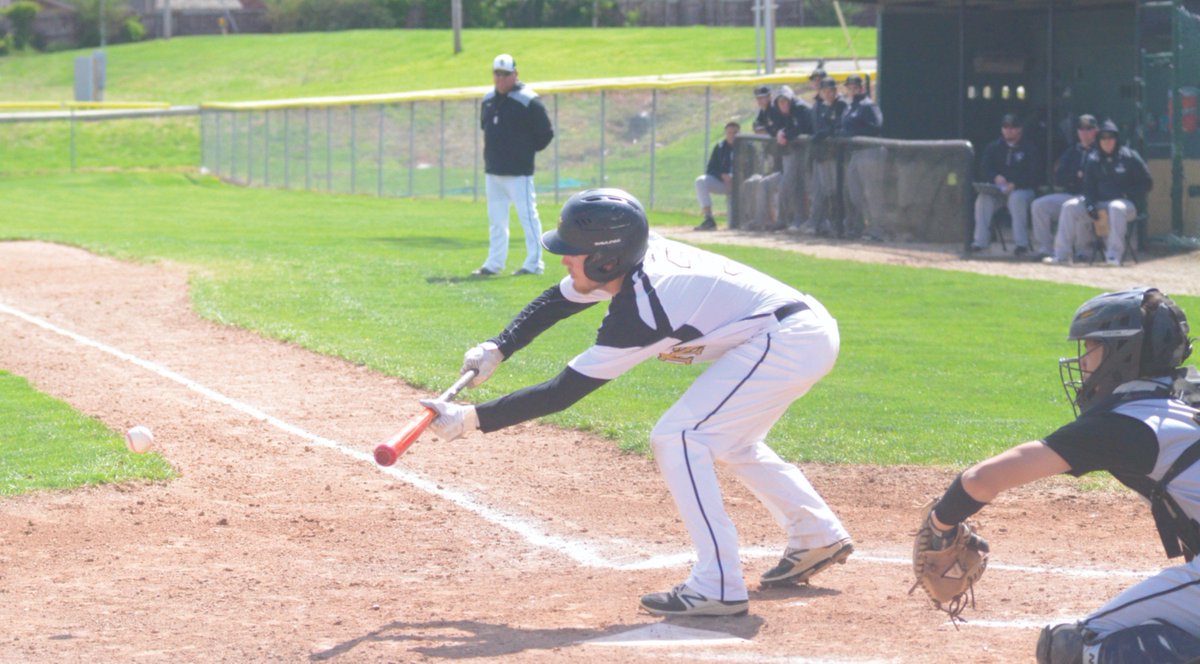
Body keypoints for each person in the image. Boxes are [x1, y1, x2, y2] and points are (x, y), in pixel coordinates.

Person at [421, 188, 855, 617]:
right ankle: (815, 533)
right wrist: (499, 347)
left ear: (606, 258)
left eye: (572, 251)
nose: (564, 259)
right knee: (730, 442)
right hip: (792, 334)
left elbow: (563, 392)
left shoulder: (645, 308)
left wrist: (470, 419)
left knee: (679, 437)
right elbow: (558, 300)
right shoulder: (628, 263)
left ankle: (718, 584)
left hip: (787, 341)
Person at [916, 287, 1200, 663]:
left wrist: (941, 522)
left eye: (1092, 348)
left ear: (1123, 352)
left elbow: (983, 479)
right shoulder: (1184, 401)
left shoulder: (1126, 422)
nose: (1083, 361)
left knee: (1071, 646)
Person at [474, 54, 555, 278]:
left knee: (528, 218)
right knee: (496, 221)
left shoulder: (528, 100)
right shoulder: (488, 99)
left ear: (515, 74)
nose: (500, 79)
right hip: (493, 171)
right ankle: (493, 264)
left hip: (519, 173)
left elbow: (545, 134)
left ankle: (534, 263)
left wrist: (523, 152)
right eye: (497, 74)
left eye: (505, 74)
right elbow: (486, 127)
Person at [1055, 120, 1152, 267]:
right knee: (1069, 206)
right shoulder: (1093, 159)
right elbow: (1088, 187)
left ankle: (1113, 257)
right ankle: (1061, 255)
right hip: (1099, 203)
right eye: (1103, 138)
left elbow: (1147, 182)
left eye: (1110, 138)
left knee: (1116, 207)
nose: (1107, 142)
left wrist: (1129, 194)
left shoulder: (1130, 157)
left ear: (1117, 139)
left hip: (1125, 205)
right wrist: (1089, 205)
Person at [970, 113, 1041, 255]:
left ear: (1020, 129)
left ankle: (1021, 244)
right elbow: (984, 169)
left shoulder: (1029, 148)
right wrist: (995, 177)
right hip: (999, 191)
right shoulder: (994, 147)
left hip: (1022, 190)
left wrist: (1015, 184)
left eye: (1013, 127)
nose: (1009, 130)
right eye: (1006, 127)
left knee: (1016, 199)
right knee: (983, 199)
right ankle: (980, 242)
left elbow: (1035, 175)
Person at [1034, 114, 1098, 263]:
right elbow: (1059, 176)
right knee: (1039, 205)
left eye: (1089, 129)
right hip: (1071, 193)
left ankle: (1078, 252)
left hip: (1089, 197)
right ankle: (1045, 249)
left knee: (1072, 207)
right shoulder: (1072, 151)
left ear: (1096, 130)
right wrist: (1076, 175)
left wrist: (1080, 176)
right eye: (1082, 129)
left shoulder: (1100, 150)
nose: (1085, 132)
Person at [839, 74, 884, 240]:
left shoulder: (867, 105)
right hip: (855, 154)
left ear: (862, 88)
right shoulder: (851, 106)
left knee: (872, 194)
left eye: (855, 87)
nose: (852, 90)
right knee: (854, 193)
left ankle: (877, 230)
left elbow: (877, 126)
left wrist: (853, 132)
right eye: (849, 87)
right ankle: (859, 227)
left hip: (870, 152)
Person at [806, 78, 847, 236]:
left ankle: (839, 225)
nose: (828, 94)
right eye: (825, 91)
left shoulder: (841, 105)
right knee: (822, 192)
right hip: (822, 155)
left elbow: (839, 126)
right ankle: (824, 224)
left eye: (831, 91)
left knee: (836, 192)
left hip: (836, 157)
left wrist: (827, 132)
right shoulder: (819, 107)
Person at [772, 86, 813, 231]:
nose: (783, 104)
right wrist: (780, 132)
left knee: (804, 186)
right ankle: (796, 219)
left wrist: (786, 135)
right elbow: (778, 127)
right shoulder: (780, 112)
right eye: (780, 102)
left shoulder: (801, 109)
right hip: (793, 151)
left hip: (810, 152)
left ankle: (797, 220)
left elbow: (803, 127)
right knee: (795, 186)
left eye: (786, 101)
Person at [694, 121, 739, 231]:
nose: (732, 135)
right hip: (723, 183)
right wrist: (722, 176)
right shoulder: (720, 147)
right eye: (729, 133)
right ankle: (709, 218)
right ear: (725, 133)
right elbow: (710, 169)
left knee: (733, 224)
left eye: (735, 133)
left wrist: (735, 177)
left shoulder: (747, 148)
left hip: (740, 186)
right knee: (700, 181)